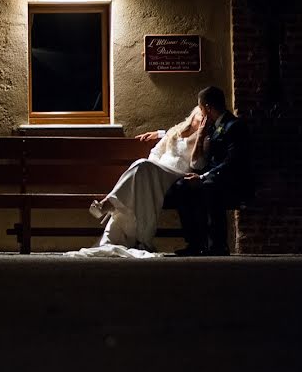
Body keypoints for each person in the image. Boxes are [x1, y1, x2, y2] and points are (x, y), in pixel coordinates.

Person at [88, 106, 207, 251]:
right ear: (193, 114)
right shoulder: (176, 130)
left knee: (142, 164)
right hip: (157, 171)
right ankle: (137, 236)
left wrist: (200, 136)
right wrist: (152, 169)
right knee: (143, 166)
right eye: (201, 113)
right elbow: (156, 151)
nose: (204, 117)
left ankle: (110, 202)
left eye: (207, 115)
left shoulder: (206, 137)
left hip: (177, 175)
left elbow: (197, 164)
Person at [169, 86, 252, 256]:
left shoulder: (233, 126)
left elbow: (232, 162)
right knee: (181, 186)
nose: (200, 113)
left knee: (208, 188)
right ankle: (194, 242)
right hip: (212, 176)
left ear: (207, 107)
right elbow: (186, 133)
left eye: (200, 108)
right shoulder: (213, 126)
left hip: (229, 179)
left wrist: (202, 177)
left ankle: (217, 244)